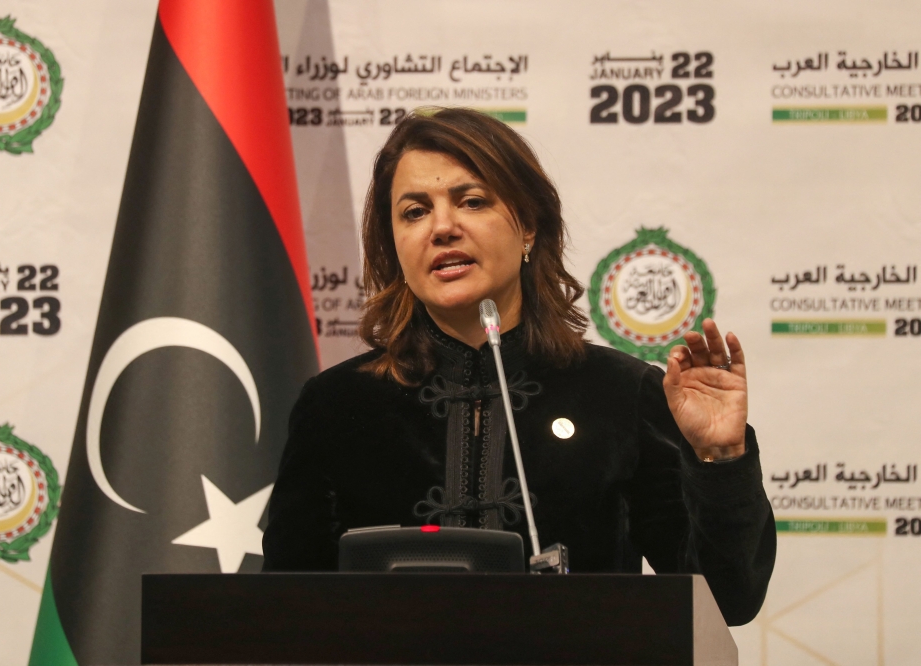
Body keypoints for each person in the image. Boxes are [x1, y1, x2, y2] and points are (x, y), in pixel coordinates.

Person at [262, 107, 775, 625]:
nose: (442, 227)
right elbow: (280, 616)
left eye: (472, 201)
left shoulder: (621, 393)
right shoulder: (336, 406)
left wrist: (721, 457)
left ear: (528, 224)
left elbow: (728, 600)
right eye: (414, 212)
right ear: (394, 245)